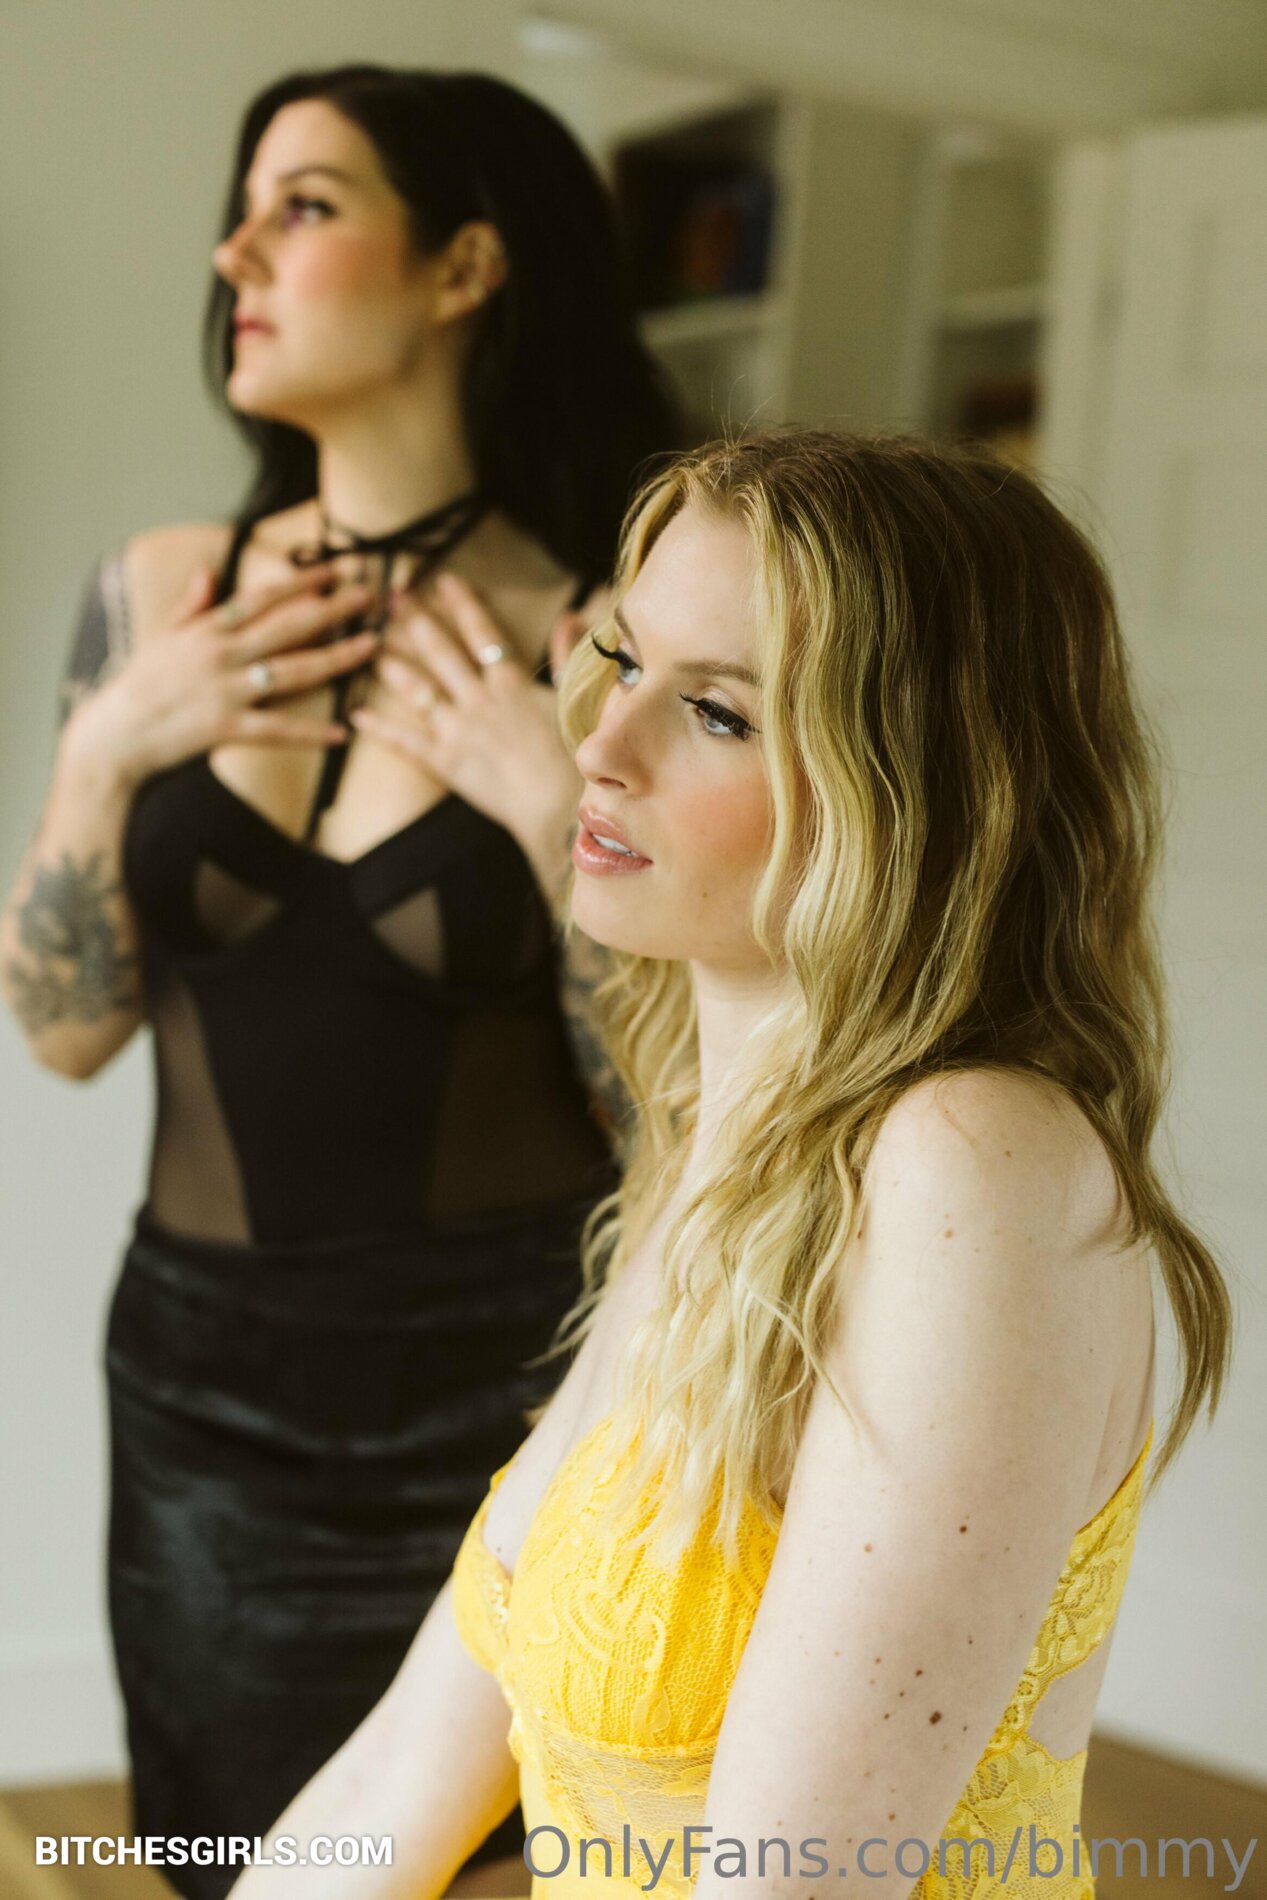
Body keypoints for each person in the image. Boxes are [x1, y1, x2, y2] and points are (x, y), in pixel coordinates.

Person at [224, 428, 1232, 1900]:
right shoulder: (718, 1157)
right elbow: (396, 1780)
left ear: (917, 789)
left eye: (714, 712)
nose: (600, 744)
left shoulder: (972, 1164)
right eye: (622, 662)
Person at [0, 62, 678, 1898]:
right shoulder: (154, 598)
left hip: (510, 1399)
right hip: (199, 1397)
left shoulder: (603, 642)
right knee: (224, 1858)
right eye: (241, 212)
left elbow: (681, 1110)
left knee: (494, 1870)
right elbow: (63, 1032)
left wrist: (548, 815)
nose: (235, 254)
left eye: (301, 206)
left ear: (465, 266)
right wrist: (103, 754)